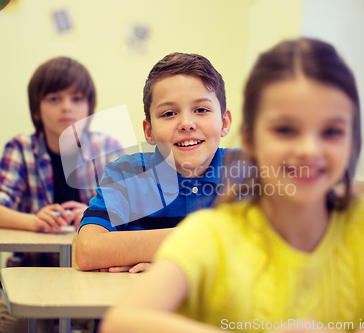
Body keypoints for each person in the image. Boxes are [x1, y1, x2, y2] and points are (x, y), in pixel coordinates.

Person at [99, 38, 364, 333]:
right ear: (250, 140)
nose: (308, 150)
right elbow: (121, 322)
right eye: (285, 130)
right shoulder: (215, 233)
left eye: (331, 131)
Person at [0, 57, 123, 333]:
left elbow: (132, 211)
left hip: (98, 277)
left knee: (120, 323)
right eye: (54, 99)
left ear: (90, 108)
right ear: (37, 110)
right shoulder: (21, 148)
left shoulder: (108, 147)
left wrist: (93, 216)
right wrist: (33, 221)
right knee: (16, 326)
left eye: (77, 98)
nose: (67, 107)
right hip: (31, 275)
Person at [76, 52, 248, 273]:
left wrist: (171, 261)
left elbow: (279, 248)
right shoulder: (127, 174)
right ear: (149, 131)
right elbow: (88, 251)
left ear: (224, 122)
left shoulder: (248, 171)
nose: (186, 123)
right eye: (169, 113)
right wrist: (210, 244)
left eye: (201, 110)